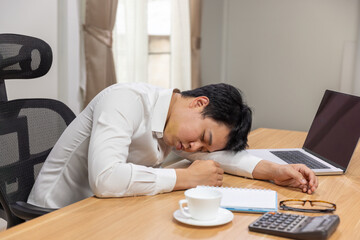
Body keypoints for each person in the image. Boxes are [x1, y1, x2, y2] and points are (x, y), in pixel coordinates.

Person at [28, 82, 318, 208]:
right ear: (199, 103)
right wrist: (184, 178)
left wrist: (272, 170)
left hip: (100, 210)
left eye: (203, 149)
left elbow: (218, 158)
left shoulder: (175, 123)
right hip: (54, 215)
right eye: (202, 139)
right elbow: (106, 179)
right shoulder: (126, 100)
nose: (193, 149)